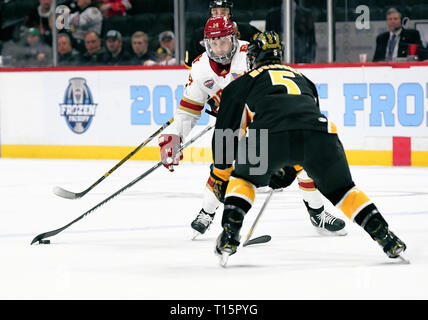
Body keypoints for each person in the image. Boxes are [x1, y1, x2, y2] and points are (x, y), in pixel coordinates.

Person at [211, 31, 407, 266]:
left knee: (244, 180)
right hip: (321, 135)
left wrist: (221, 177)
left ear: (254, 57)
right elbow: (302, 130)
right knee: (345, 191)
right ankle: (386, 237)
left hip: (266, 135)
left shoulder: (242, 82)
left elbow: (225, 134)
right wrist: (290, 168)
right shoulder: (304, 79)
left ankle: (230, 233)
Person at [157, 17, 346, 241]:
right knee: (223, 167)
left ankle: (318, 213)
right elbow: (189, 110)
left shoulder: (251, 53)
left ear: (234, 39)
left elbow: (280, 82)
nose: (219, 49)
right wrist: (174, 135)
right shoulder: (199, 68)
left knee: (300, 162)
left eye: (224, 42)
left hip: (262, 120)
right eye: (213, 43)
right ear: (206, 44)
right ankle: (207, 212)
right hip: (229, 122)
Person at [184, 0, 260, 68]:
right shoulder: (198, 35)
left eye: (223, 12)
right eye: (215, 12)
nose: (219, 15)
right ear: (211, 14)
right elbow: (191, 65)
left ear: (229, 14)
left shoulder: (248, 30)